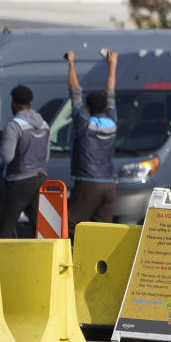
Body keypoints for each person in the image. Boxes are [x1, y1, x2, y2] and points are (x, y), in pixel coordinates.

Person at [66, 49, 118, 236]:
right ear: (105, 108)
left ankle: (70, 262)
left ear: (87, 108)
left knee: (69, 225)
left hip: (88, 183)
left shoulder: (84, 123)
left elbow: (75, 92)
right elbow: (110, 92)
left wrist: (71, 63)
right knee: (101, 232)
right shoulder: (112, 121)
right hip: (109, 185)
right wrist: (112, 65)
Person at [0, 85, 50, 238]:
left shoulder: (14, 125)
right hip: (41, 178)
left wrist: (1, 141)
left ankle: (1, 261)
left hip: (19, 181)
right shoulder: (44, 124)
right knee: (39, 229)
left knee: (5, 230)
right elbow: (46, 157)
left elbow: (7, 157)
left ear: (14, 103)